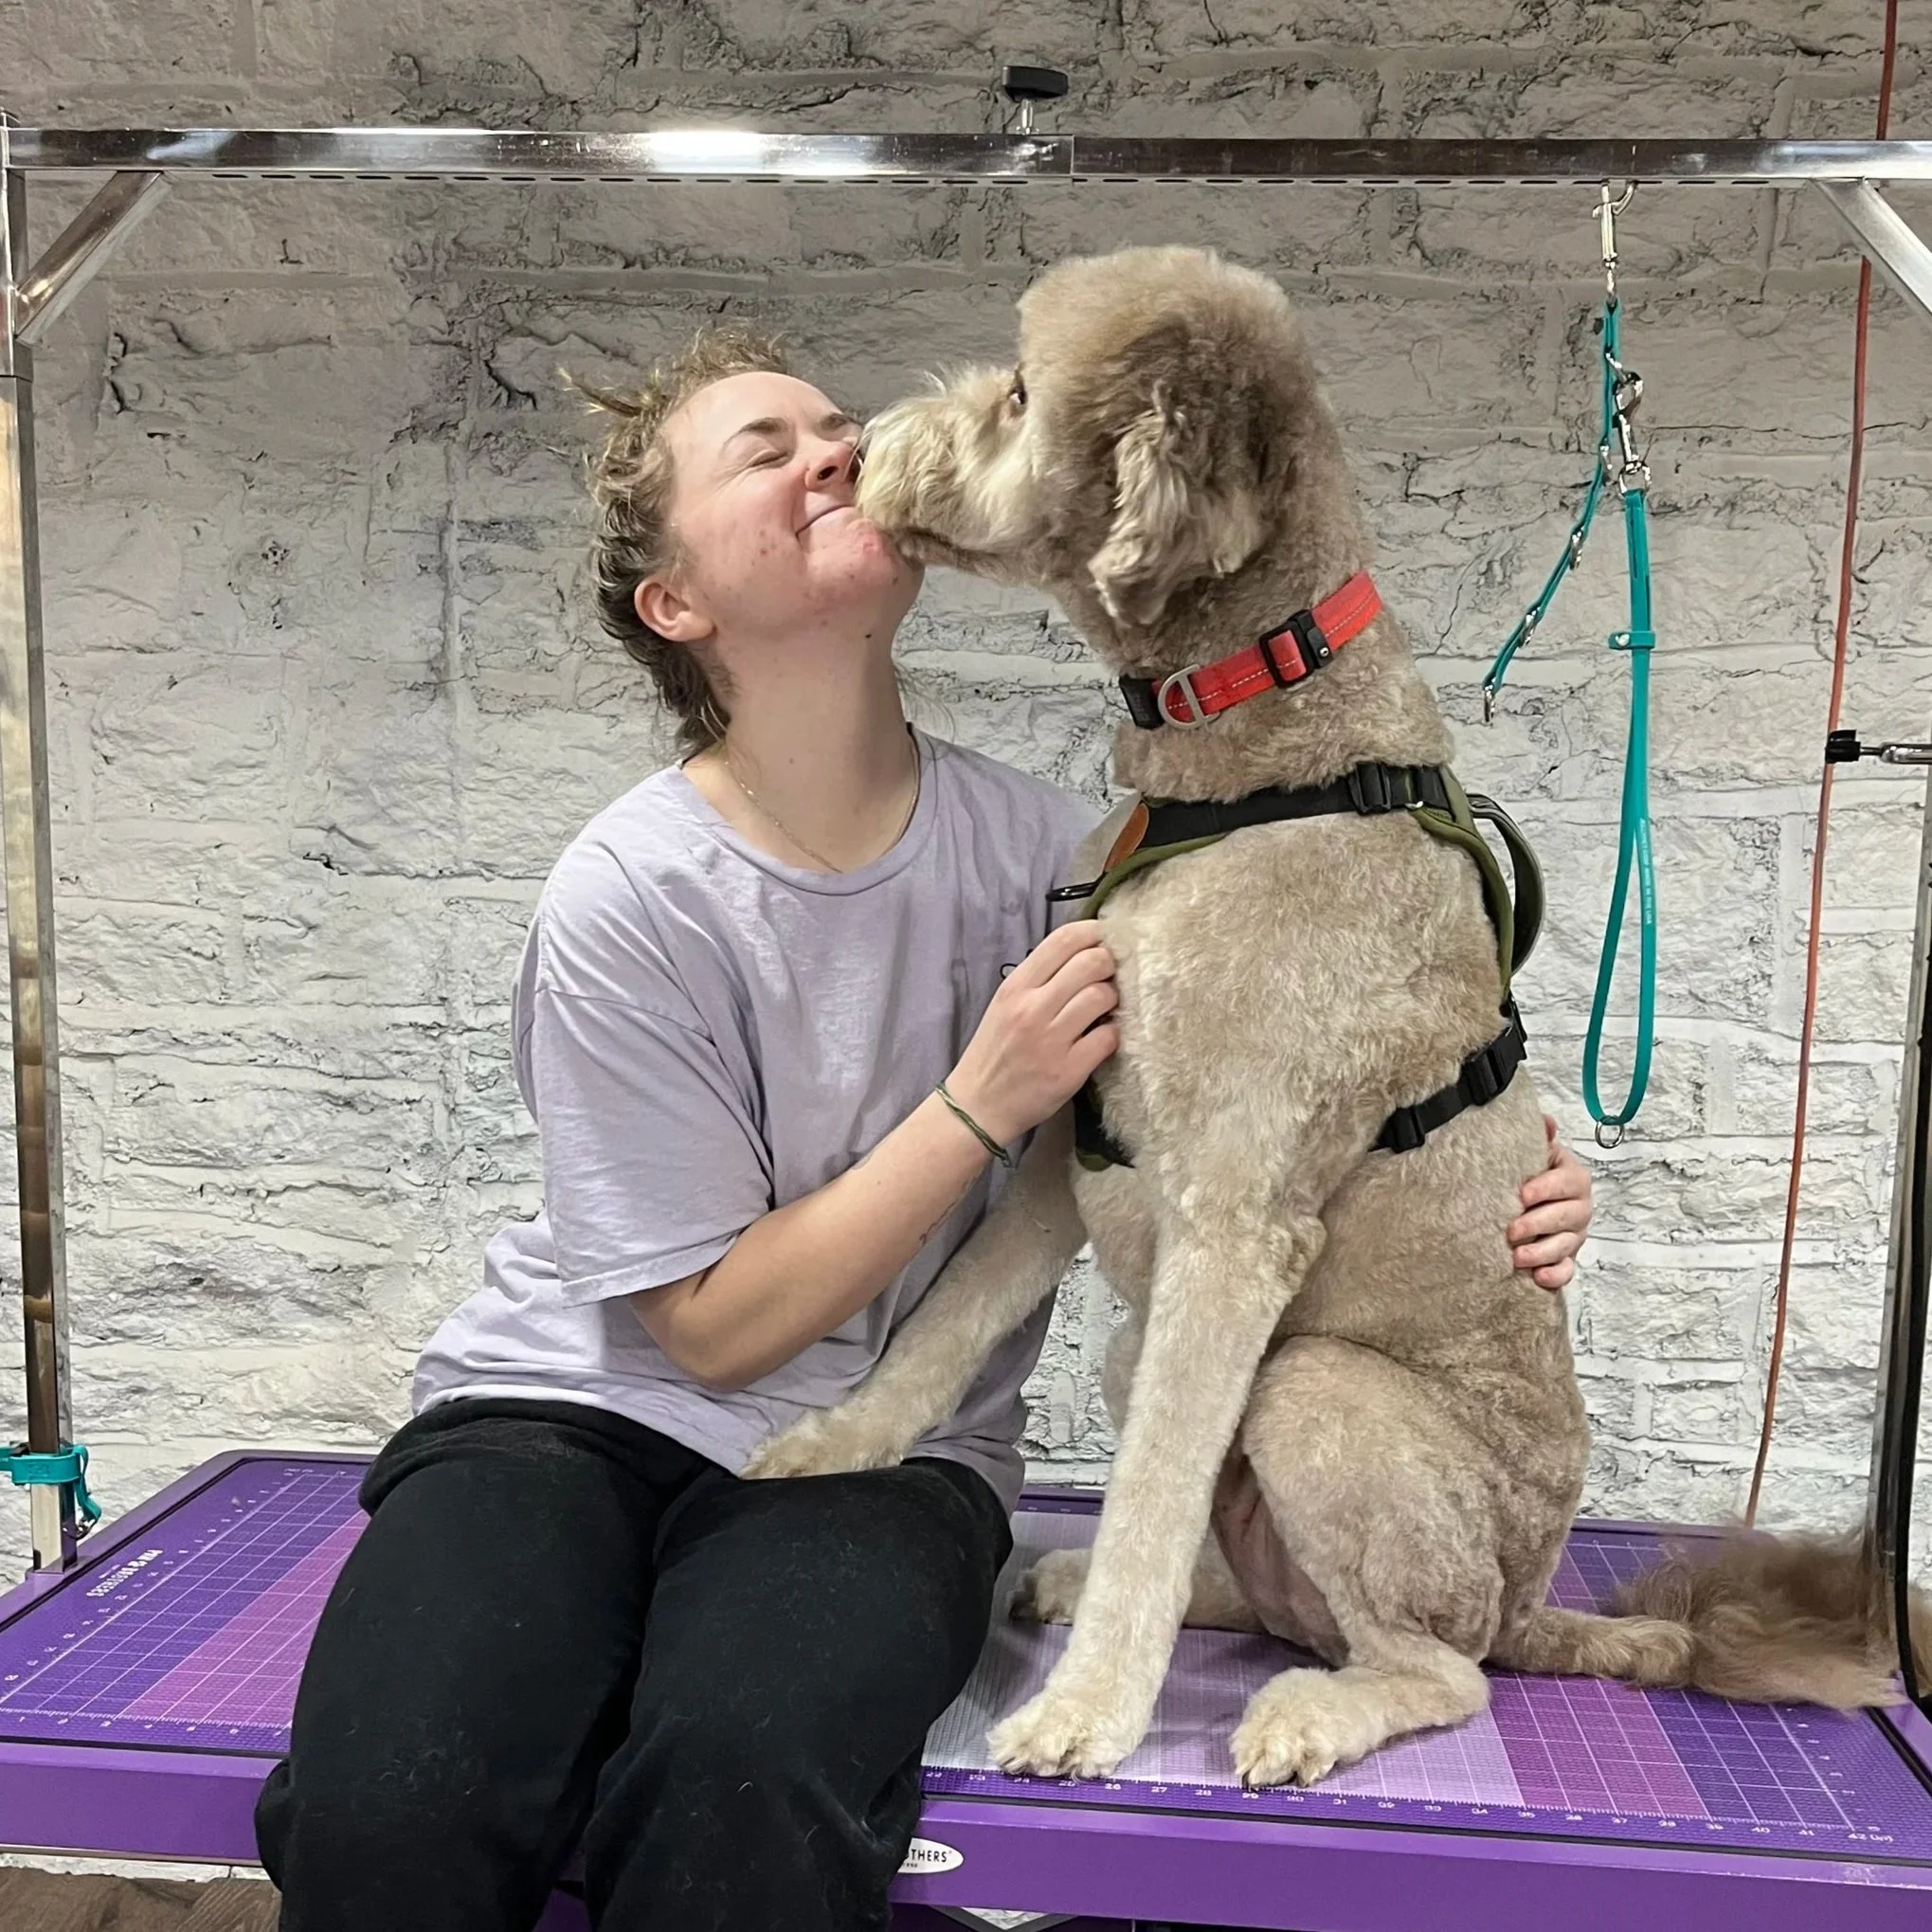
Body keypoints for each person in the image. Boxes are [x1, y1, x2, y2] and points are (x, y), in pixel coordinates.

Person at [254, 323, 1595, 1932]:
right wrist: (983, 1095)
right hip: (576, 1411)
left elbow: (1315, 1065)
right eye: (763, 451)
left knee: (742, 1782)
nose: (832, 446)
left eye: (834, 425)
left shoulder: (1073, 861)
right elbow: (709, 1330)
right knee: (386, 1807)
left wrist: (1475, 1185)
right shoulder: (629, 891)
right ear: (673, 603)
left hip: (894, 1453)